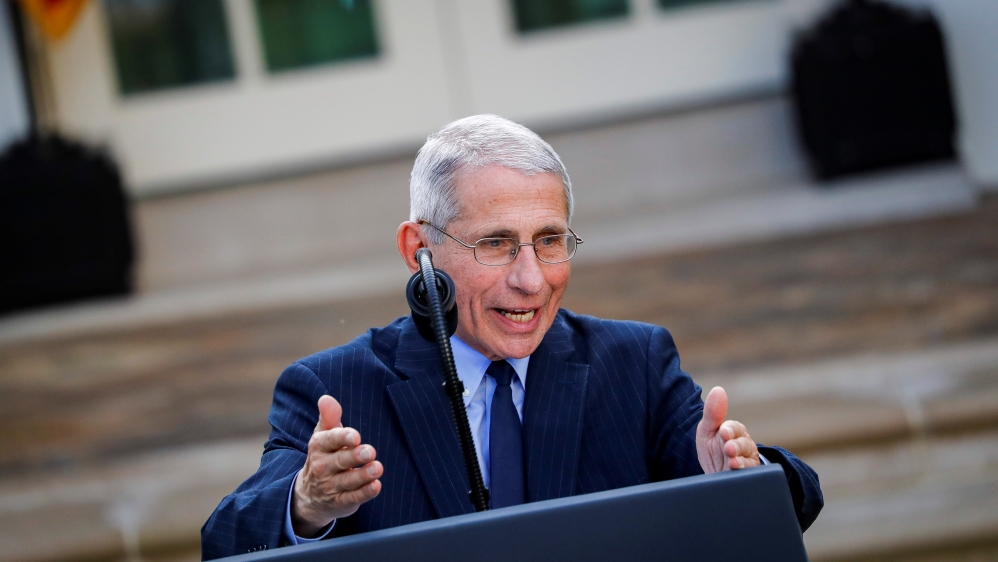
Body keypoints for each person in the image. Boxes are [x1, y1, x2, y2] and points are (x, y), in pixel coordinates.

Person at [201, 115, 823, 559]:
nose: (531, 280)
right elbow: (225, 541)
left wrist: (743, 474)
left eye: (550, 241)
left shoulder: (633, 362)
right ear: (419, 250)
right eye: (496, 243)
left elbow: (797, 492)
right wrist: (306, 503)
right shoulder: (335, 389)